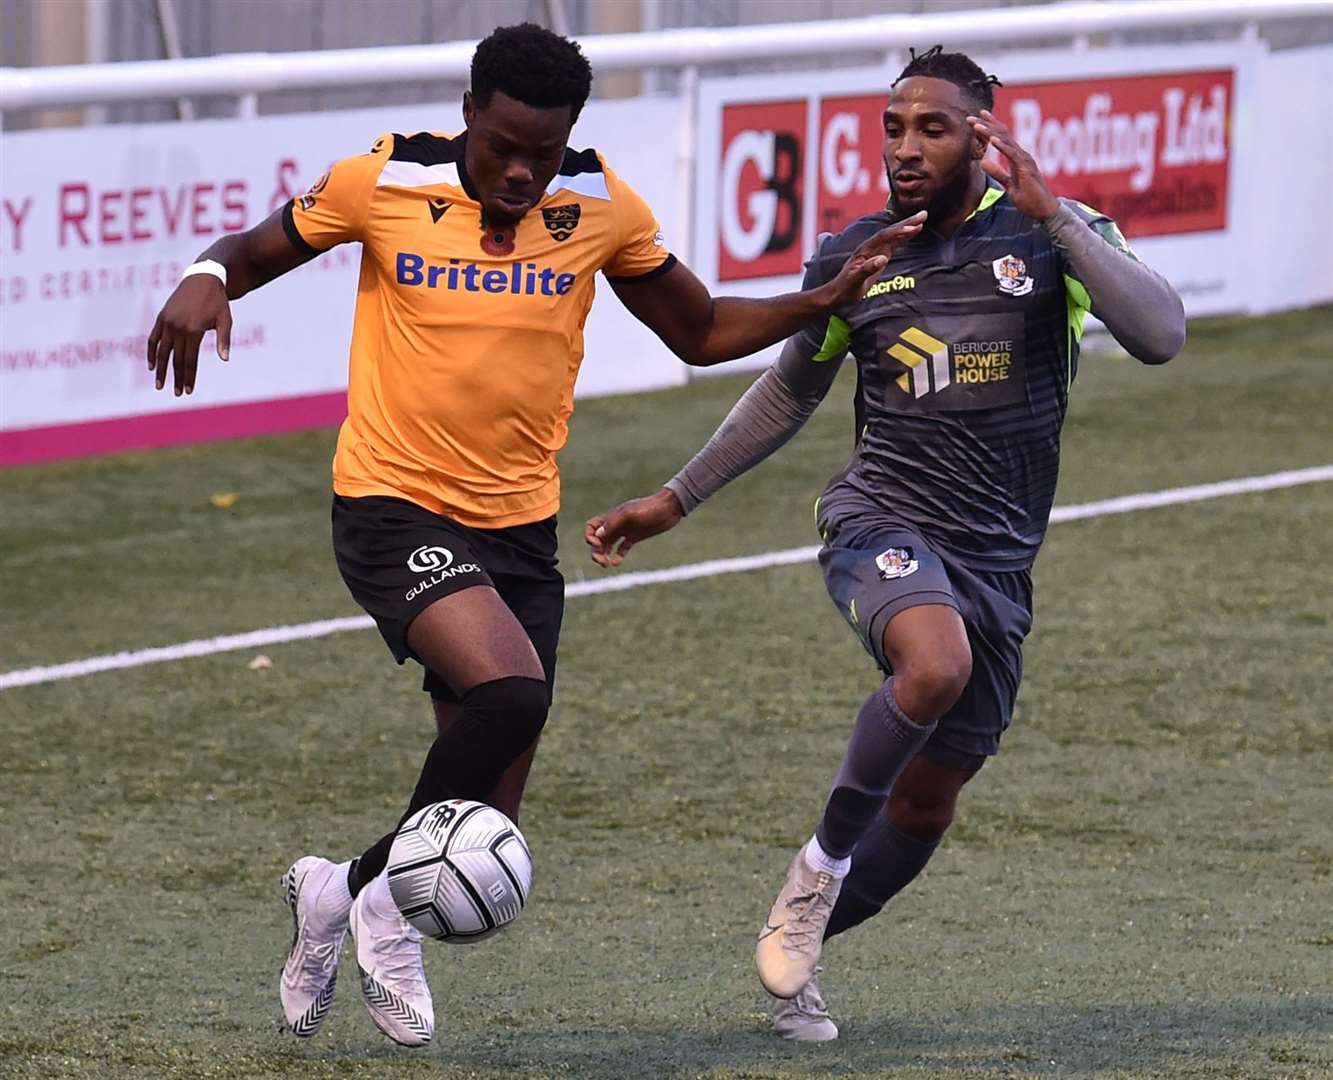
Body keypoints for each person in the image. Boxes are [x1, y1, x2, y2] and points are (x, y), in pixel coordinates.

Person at [146, 23, 922, 1048]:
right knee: (512, 690)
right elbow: (253, 250)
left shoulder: (598, 204)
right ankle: (383, 922)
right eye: (505, 146)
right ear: (469, 115)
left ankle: (335, 893)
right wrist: (206, 273)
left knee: (487, 820)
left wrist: (818, 300)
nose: (522, 171)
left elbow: (694, 332)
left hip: (518, 528)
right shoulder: (384, 178)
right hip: (392, 504)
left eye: (544, 152)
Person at [586, 46, 1185, 1042]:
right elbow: (790, 389)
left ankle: (800, 946)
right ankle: (817, 868)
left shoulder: (1053, 243)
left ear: (982, 138)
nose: (904, 148)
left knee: (927, 805)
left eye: (932, 128)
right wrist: (673, 499)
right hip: (880, 522)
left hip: (997, 562)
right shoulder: (860, 252)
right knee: (932, 662)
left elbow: (1161, 333)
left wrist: (1056, 217)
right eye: (893, 128)